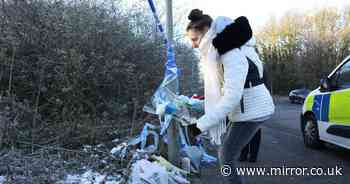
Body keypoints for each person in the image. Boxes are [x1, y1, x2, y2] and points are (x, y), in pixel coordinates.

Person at [186, 9, 275, 184]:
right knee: (226, 154)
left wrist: (199, 126)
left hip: (252, 110)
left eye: (194, 39)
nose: (193, 45)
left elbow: (232, 97)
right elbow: (225, 90)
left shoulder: (230, 52)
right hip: (246, 109)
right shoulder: (224, 49)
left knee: (226, 155)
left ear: (206, 31)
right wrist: (198, 104)